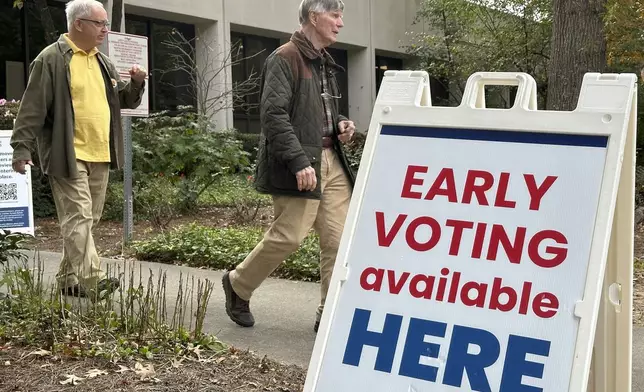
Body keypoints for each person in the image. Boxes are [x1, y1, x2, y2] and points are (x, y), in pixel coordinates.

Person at [222, 0, 356, 332]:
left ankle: (329, 312)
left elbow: (315, 113)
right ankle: (238, 284)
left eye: (342, 17)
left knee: (338, 241)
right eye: (335, 16)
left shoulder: (325, 62)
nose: (341, 23)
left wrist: (340, 124)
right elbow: (274, 116)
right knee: (289, 236)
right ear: (314, 16)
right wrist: (298, 161)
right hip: (300, 162)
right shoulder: (284, 58)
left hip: (331, 160)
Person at [11, 0, 146, 300]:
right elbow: (31, 108)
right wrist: (21, 148)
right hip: (66, 154)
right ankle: (92, 279)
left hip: (101, 153)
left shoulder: (103, 61)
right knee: (79, 218)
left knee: (86, 220)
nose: (105, 29)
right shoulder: (50, 60)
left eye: (106, 23)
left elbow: (122, 100)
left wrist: (136, 84)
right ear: (78, 24)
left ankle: (68, 279)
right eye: (100, 23)